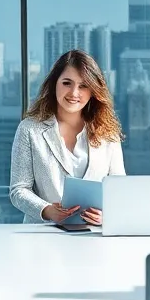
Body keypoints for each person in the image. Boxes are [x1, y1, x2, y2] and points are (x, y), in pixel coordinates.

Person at [9, 49, 125, 224]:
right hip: (43, 234)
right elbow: (19, 190)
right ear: (54, 84)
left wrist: (107, 215)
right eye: (67, 83)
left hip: (93, 237)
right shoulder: (30, 129)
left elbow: (119, 188)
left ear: (93, 91)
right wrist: (47, 210)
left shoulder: (108, 133)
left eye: (83, 86)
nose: (74, 93)